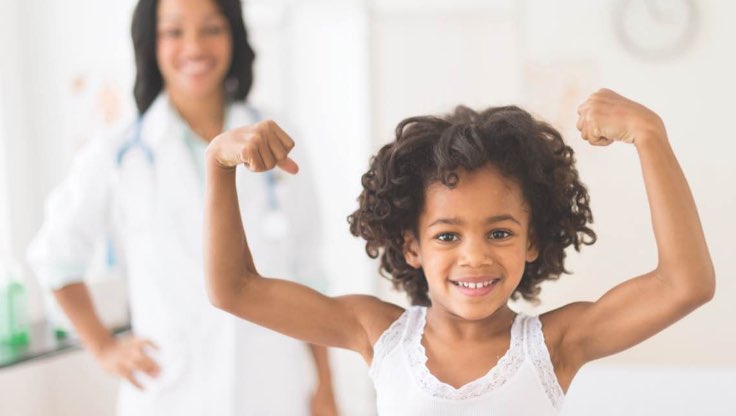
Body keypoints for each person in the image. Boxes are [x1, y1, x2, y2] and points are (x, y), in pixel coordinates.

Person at [202, 88, 715, 414]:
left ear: (533, 240)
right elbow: (235, 289)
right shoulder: (379, 335)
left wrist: (651, 137)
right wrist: (218, 167)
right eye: (447, 235)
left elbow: (684, 284)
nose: (475, 256)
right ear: (411, 244)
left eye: (499, 233)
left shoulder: (555, 345)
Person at [26, 0, 338, 415]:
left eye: (211, 29)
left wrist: (325, 391)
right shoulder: (118, 153)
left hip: (272, 387)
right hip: (171, 391)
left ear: (233, 36)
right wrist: (104, 348)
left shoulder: (278, 138)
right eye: (174, 32)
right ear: (150, 44)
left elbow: (308, 272)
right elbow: (55, 260)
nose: (195, 47)